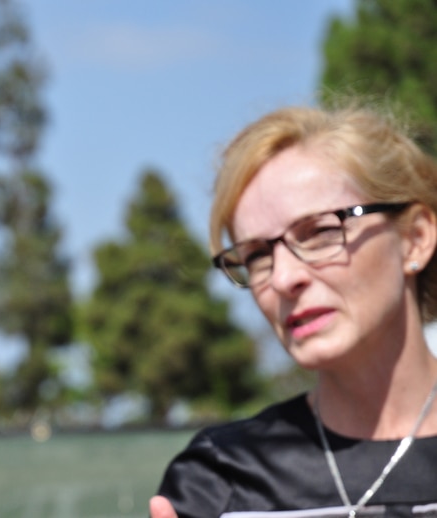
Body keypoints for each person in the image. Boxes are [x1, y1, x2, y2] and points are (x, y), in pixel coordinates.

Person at [150, 103, 437, 518]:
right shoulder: (223, 478)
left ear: (414, 239)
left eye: (320, 232)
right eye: (257, 255)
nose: (283, 278)